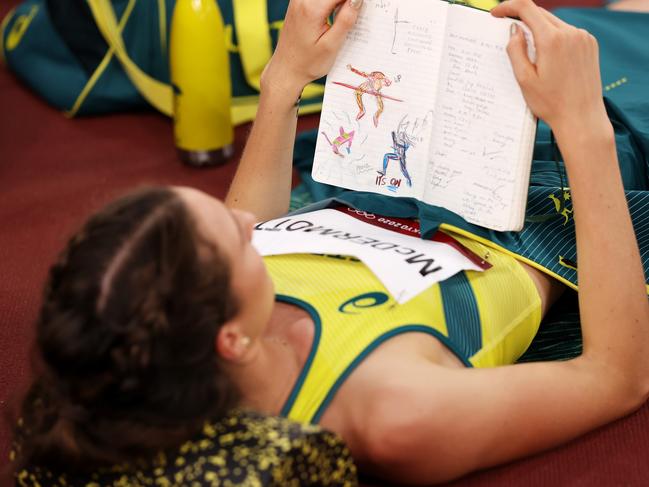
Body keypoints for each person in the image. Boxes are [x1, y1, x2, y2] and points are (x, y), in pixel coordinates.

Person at [11, 0, 649, 485]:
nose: (247, 223)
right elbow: (617, 377)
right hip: (566, 188)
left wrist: (286, 73)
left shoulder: (194, 322)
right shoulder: (396, 415)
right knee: (597, 52)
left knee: (566, 29)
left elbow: (246, 224)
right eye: (233, 238)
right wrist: (580, 122)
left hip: (405, 171)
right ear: (230, 339)